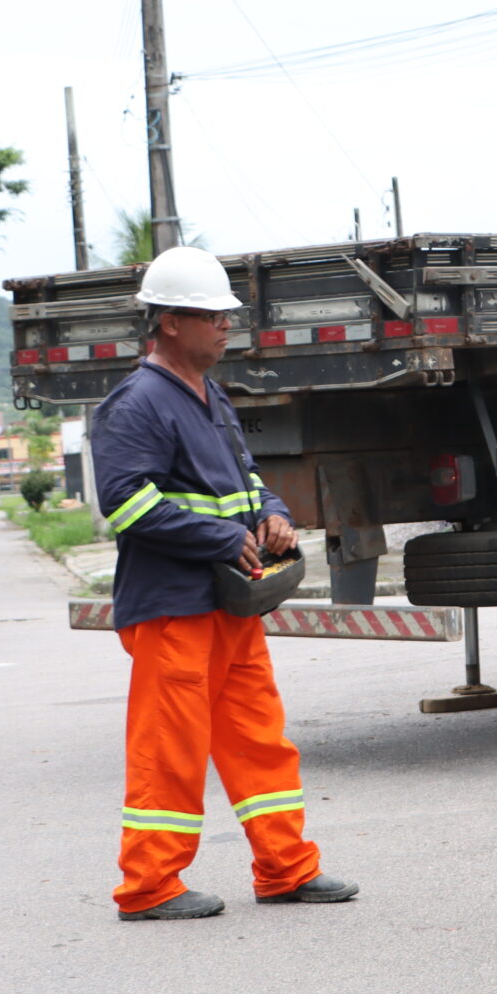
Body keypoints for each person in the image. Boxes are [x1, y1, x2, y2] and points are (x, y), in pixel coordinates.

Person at [89, 245, 357, 922]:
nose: (224, 324)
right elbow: (125, 502)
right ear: (169, 322)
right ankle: (149, 886)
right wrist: (219, 538)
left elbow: (246, 480)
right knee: (168, 750)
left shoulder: (211, 397)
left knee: (259, 740)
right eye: (211, 314)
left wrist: (274, 514)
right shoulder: (137, 403)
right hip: (173, 608)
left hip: (229, 604)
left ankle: (286, 868)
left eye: (224, 314)